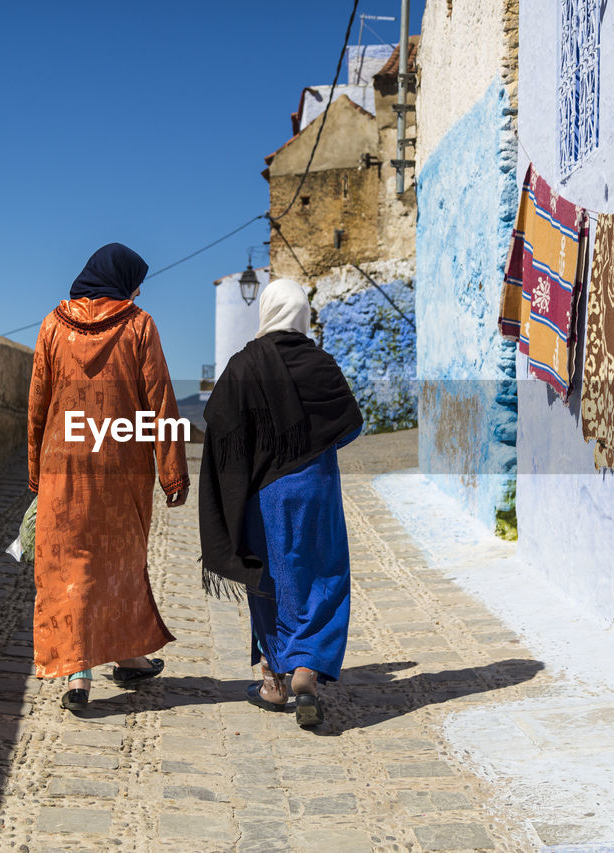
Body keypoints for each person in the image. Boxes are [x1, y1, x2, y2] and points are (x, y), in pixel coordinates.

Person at [27, 243, 189, 714]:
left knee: (71, 564)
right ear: (120, 282)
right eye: (136, 281)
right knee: (119, 561)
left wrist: (36, 471)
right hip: (121, 465)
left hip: (64, 468)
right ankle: (128, 656)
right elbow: (160, 399)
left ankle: (82, 671)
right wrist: (172, 471)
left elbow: (38, 402)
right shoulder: (139, 325)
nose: (138, 290)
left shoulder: (53, 325)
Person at [198, 278, 362, 728]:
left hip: (265, 494)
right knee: (322, 572)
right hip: (317, 486)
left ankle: (274, 682)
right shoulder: (321, 363)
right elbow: (350, 424)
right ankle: (307, 667)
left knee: (270, 577)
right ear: (302, 314)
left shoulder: (244, 365)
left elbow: (220, 426)